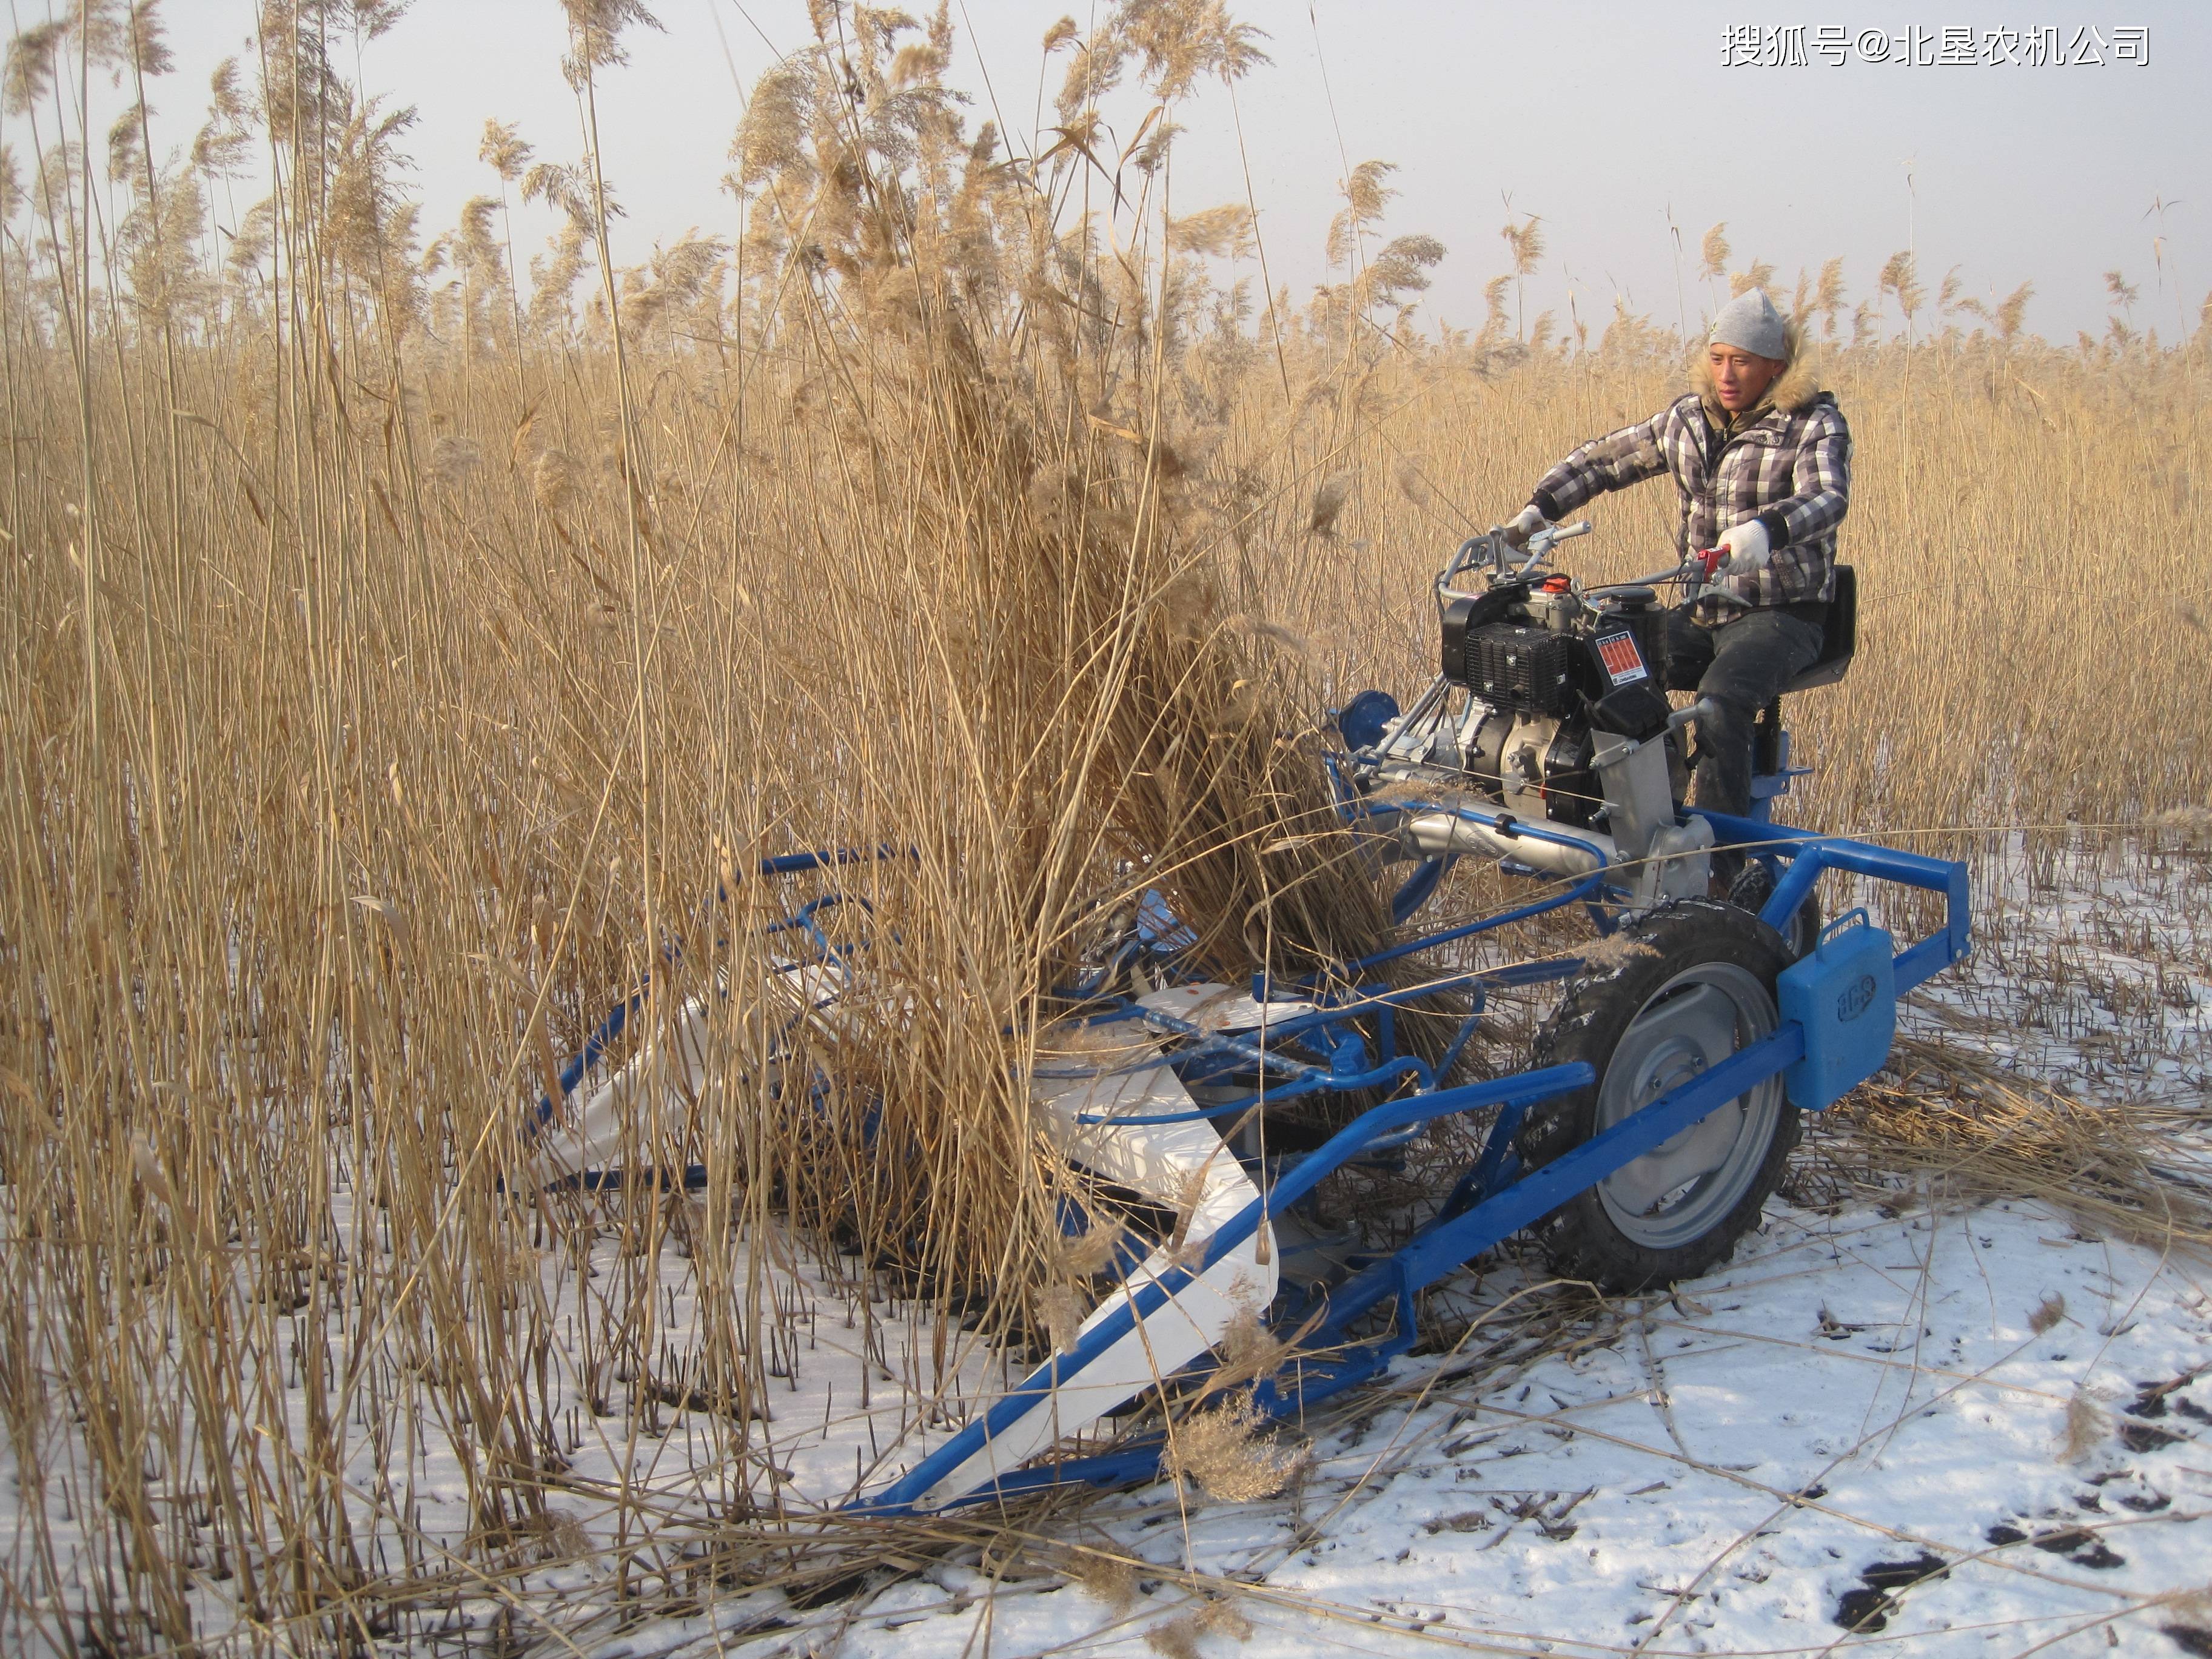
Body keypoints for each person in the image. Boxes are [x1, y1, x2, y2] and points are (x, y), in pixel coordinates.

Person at [1504, 287, 1851, 885]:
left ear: (1776, 366)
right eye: (1718, 358)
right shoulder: (1687, 420)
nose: (1727, 374)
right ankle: (1610, 830)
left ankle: (1717, 874)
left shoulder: (1813, 422)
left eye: (1742, 361)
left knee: (1719, 705)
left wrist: (1768, 531)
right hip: (1704, 607)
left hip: (1783, 612)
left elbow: (1828, 497)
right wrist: (1537, 511)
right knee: (1600, 667)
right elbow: (1605, 461)